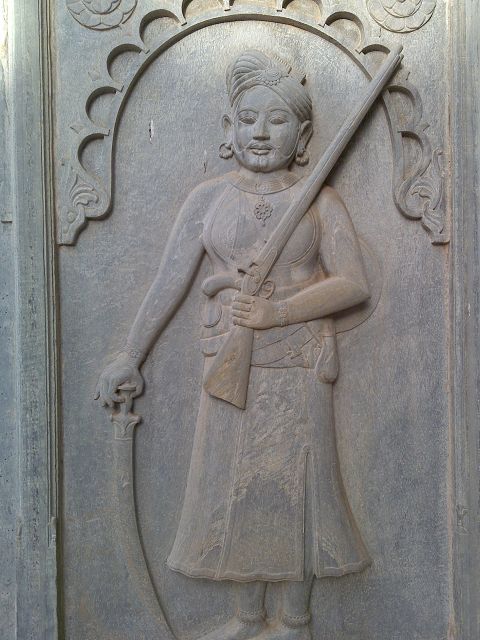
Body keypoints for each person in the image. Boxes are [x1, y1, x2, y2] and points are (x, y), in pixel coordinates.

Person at [96, 50, 371, 640]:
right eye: (248, 119)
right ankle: (248, 617)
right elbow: (169, 280)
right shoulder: (208, 199)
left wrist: (279, 311)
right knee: (231, 484)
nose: (261, 132)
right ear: (229, 127)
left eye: (277, 120)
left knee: (294, 485)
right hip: (227, 360)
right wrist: (131, 354)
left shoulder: (320, 202)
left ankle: (295, 621)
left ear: (303, 135)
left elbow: (353, 284)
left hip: (297, 361)